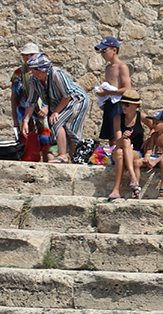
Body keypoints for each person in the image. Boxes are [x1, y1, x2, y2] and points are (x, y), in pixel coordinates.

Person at [21, 53, 90, 164]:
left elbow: (67, 95)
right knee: (63, 126)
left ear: (44, 70)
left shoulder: (56, 73)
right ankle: (72, 158)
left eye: (37, 71)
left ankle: (64, 156)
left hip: (76, 100)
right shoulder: (34, 80)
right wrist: (25, 121)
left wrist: (56, 111)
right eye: (33, 71)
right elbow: (31, 101)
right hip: (60, 103)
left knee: (61, 124)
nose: (34, 74)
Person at [94, 36, 132, 165]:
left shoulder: (122, 67)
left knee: (118, 135)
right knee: (110, 135)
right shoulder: (108, 68)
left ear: (114, 50)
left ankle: (121, 160)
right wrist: (103, 97)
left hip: (119, 104)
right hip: (109, 103)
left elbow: (127, 88)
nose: (103, 54)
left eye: (105, 51)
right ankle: (114, 160)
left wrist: (107, 92)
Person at [108, 89, 144, 200]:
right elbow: (117, 142)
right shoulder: (118, 118)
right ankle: (133, 177)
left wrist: (149, 141)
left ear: (135, 105)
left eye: (127, 104)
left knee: (120, 153)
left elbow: (155, 128)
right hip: (120, 147)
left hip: (135, 152)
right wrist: (123, 137)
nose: (123, 106)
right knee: (124, 143)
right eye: (122, 103)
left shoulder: (141, 117)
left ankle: (116, 189)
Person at [142, 110, 163, 199]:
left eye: (157, 123)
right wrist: (147, 156)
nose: (154, 125)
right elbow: (150, 149)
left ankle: (162, 188)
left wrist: (155, 161)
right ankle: (136, 187)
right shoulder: (154, 135)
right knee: (137, 162)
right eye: (153, 123)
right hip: (156, 156)